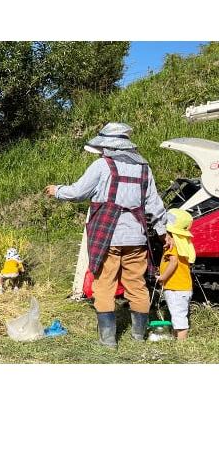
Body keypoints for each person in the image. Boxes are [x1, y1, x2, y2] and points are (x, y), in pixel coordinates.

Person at [45, 122, 167, 348]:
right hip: (137, 237)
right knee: (137, 285)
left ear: (107, 146)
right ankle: (139, 336)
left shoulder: (102, 166)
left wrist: (57, 190)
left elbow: (78, 192)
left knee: (104, 285)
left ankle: (108, 340)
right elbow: (154, 204)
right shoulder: (143, 167)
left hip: (107, 237)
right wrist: (162, 232)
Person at [157, 208, 195, 340]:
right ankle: (176, 337)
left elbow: (173, 262)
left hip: (175, 288)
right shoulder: (184, 244)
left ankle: (182, 343)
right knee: (179, 314)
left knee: (179, 317)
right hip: (184, 287)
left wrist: (163, 277)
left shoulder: (172, 245)